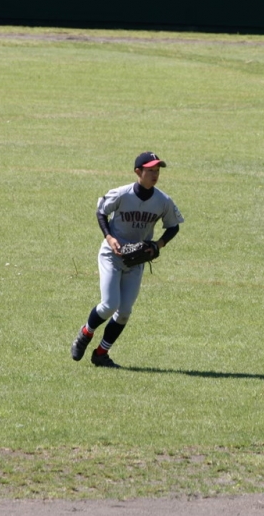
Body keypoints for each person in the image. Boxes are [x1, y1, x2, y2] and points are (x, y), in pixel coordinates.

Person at [72, 152, 184, 368]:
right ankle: (86, 333)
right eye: (150, 170)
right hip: (111, 256)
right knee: (109, 305)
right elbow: (101, 212)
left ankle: (101, 354)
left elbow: (173, 226)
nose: (155, 174)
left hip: (135, 261)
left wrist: (157, 245)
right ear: (138, 172)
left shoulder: (163, 201)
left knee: (124, 312)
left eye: (157, 171)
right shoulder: (122, 194)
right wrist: (109, 237)